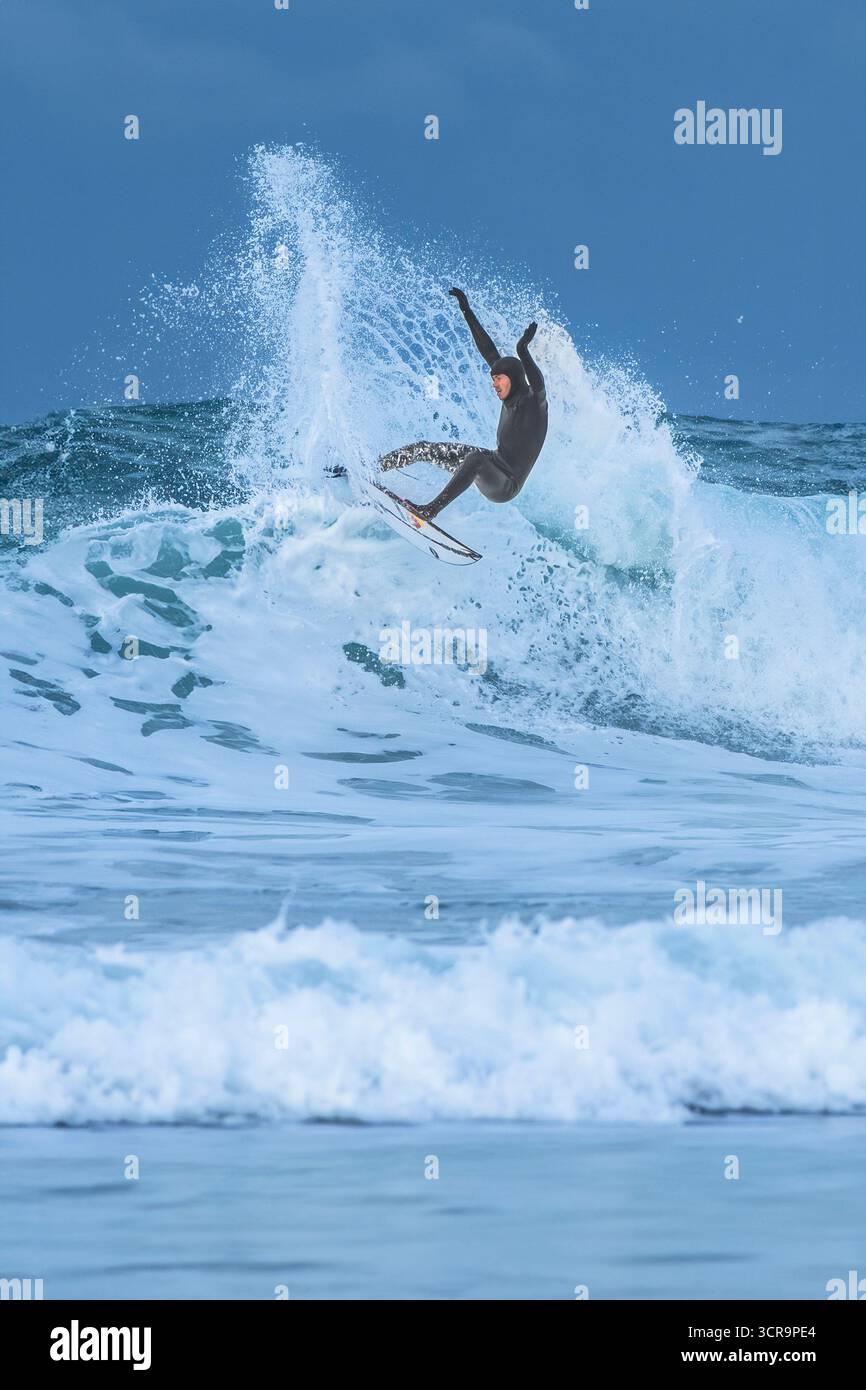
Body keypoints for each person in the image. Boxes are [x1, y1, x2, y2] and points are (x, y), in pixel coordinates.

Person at [377, 288, 548, 521]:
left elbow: (538, 385)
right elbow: (488, 350)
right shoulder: (509, 391)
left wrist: (522, 351)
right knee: (424, 448)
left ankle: (428, 511)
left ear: (514, 378)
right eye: (493, 379)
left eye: (499, 379)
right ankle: (373, 468)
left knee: (475, 459)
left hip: (505, 484)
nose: (494, 384)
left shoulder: (533, 403)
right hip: (491, 463)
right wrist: (466, 310)